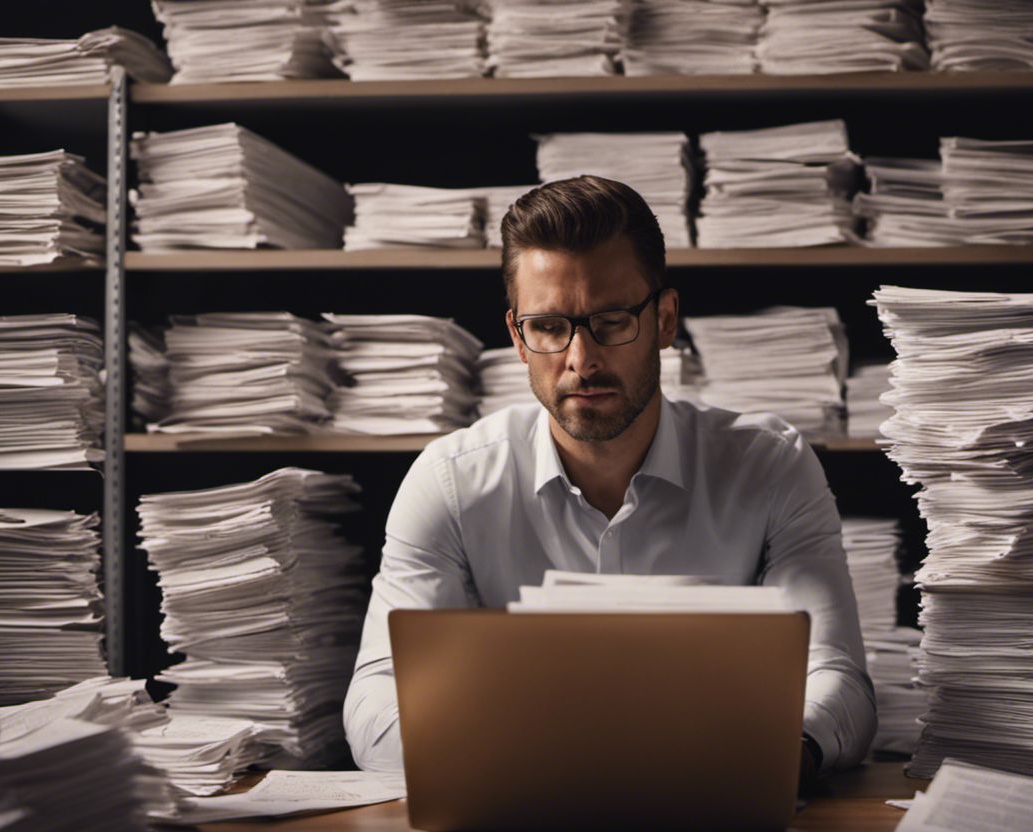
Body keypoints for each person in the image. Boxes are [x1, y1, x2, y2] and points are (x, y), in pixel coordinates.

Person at [344, 174, 876, 778]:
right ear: (518, 337)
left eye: (612, 320)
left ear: (666, 320)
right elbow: (375, 701)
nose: (581, 359)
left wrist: (778, 755)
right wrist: (511, 763)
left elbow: (839, 682)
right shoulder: (449, 482)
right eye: (549, 327)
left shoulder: (770, 467)